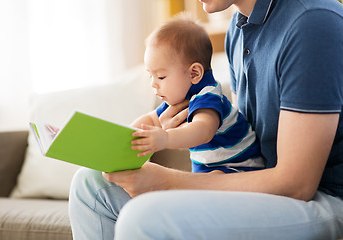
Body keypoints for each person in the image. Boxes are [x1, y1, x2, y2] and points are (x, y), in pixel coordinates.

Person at [69, 0, 343, 239]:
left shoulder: (313, 22)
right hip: (259, 181)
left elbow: (296, 185)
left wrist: (166, 181)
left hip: (324, 199)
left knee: (144, 216)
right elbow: (239, 132)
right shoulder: (238, 29)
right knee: (92, 185)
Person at [130, 15, 264, 173]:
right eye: (150, 75)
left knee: (211, 179)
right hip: (208, 170)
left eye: (161, 77)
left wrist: (166, 139)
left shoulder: (208, 95)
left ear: (194, 73)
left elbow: (203, 130)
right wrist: (128, 133)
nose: (153, 83)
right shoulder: (180, 95)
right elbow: (152, 119)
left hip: (240, 167)